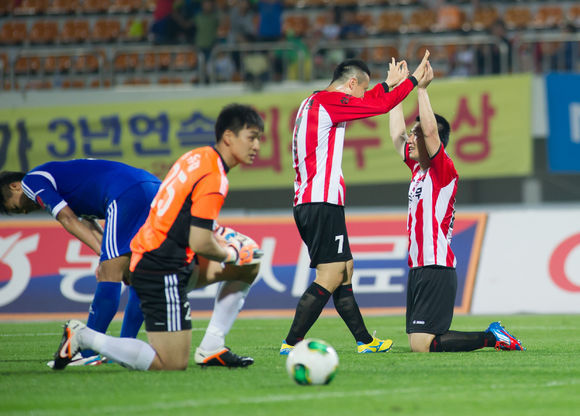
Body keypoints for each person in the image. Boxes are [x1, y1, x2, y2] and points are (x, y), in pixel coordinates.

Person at [52, 103, 264, 371]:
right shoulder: (215, 177)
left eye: (259, 139)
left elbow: (179, 213)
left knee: (250, 263)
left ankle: (212, 347)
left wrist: (227, 244)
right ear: (229, 137)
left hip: (160, 255)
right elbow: (200, 242)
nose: (257, 146)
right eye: (251, 137)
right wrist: (231, 253)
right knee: (171, 362)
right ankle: (84, 337)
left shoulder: (197, 157)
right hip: (161, 266)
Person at [280, 53, 431, 355]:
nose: (363, 96)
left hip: (313, 200)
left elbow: (371, 99)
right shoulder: (329, 102)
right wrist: (413, 81)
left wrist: (387, 85)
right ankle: (291, 343)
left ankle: (364, 341)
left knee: (345, 269)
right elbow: (378, 106)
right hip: (321, 201)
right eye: (361, 89)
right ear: (350, 84)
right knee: (331, 275)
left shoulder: (315, 102)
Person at [388, 60, 525, 352]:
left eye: (415, 134)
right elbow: (395, 135)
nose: (409, 139)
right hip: (420, 266)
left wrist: (421, 90)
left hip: (436, 265)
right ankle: (491, 336)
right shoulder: (418, 170)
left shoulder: (443, 169)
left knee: (423, 345)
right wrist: (396, 90)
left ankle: (492, 337)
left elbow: (430, 133)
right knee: (418, 343)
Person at [0, 160, 160, 363]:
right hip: (154, 187)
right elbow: (88, 223)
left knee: (109, 274)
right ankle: (124, 349)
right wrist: (108, 256)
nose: (24, 212)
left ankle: (86, 353)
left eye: (16, 207)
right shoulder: (67, 185)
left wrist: (108, 259)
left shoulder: (31, 181)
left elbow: (67, 219)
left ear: (15, 186)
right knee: (137, 275)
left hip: (127, 191)